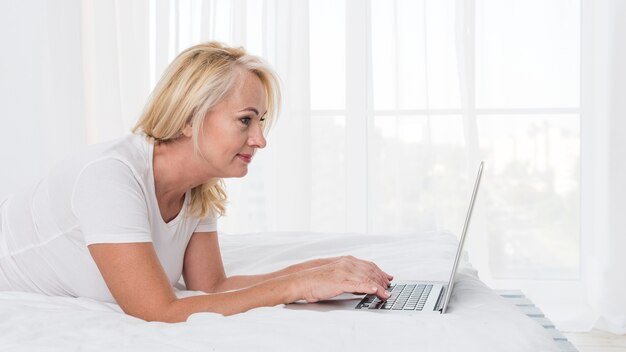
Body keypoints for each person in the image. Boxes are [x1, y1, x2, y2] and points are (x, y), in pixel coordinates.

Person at [0, 42, 392, 322]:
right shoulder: (109, 177)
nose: (260, 139)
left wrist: (324, 269)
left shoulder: (197, 186)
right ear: (189, 118)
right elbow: (157, 310)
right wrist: (298, 286)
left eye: (261, 121)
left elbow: (212, 287)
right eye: (245, 120)